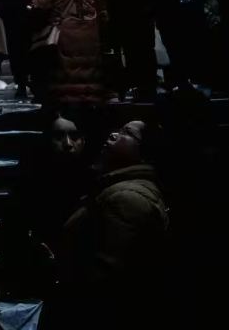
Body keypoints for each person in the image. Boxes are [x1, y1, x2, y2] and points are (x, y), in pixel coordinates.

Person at [55, 119, 169, 325]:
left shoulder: (128, 198)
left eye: (127, 133)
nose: (114, 135)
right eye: (117, 129)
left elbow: (106, 281)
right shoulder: (117, 189)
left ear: (144, 153)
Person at [0, 113, 89, 299]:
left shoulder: (94, 179)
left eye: (74, 137)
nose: (68, 144)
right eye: (58, 137)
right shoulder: (29, 180)